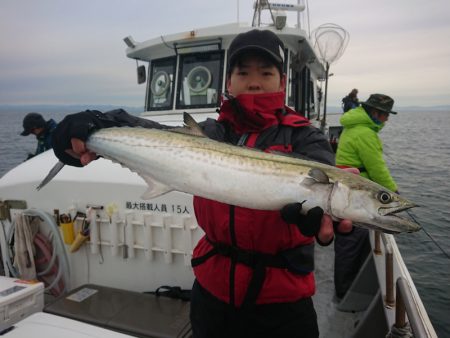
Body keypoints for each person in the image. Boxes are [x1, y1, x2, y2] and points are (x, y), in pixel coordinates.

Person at [51, 29, 353, 338]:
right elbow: (155, 134)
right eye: (243, 72)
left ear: (283, 81)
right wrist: (97, 125)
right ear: (228, 81)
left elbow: (325, 176)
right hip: (212, 294)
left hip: (282, 303)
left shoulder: (306, 137)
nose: (254, 81)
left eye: (266, 72)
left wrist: (326, 218)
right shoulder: (213, 132)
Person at [334, 93, 398, 299]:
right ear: (375, 113)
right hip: (355, 195)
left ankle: (343, 287)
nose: (386, 120)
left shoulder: (354, 127)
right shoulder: (366, 134)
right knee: (352, 240)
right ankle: (345, 290)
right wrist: (393, 193)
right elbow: (377, 168)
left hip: (346, 189)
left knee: (347, 239)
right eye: (385, 115)